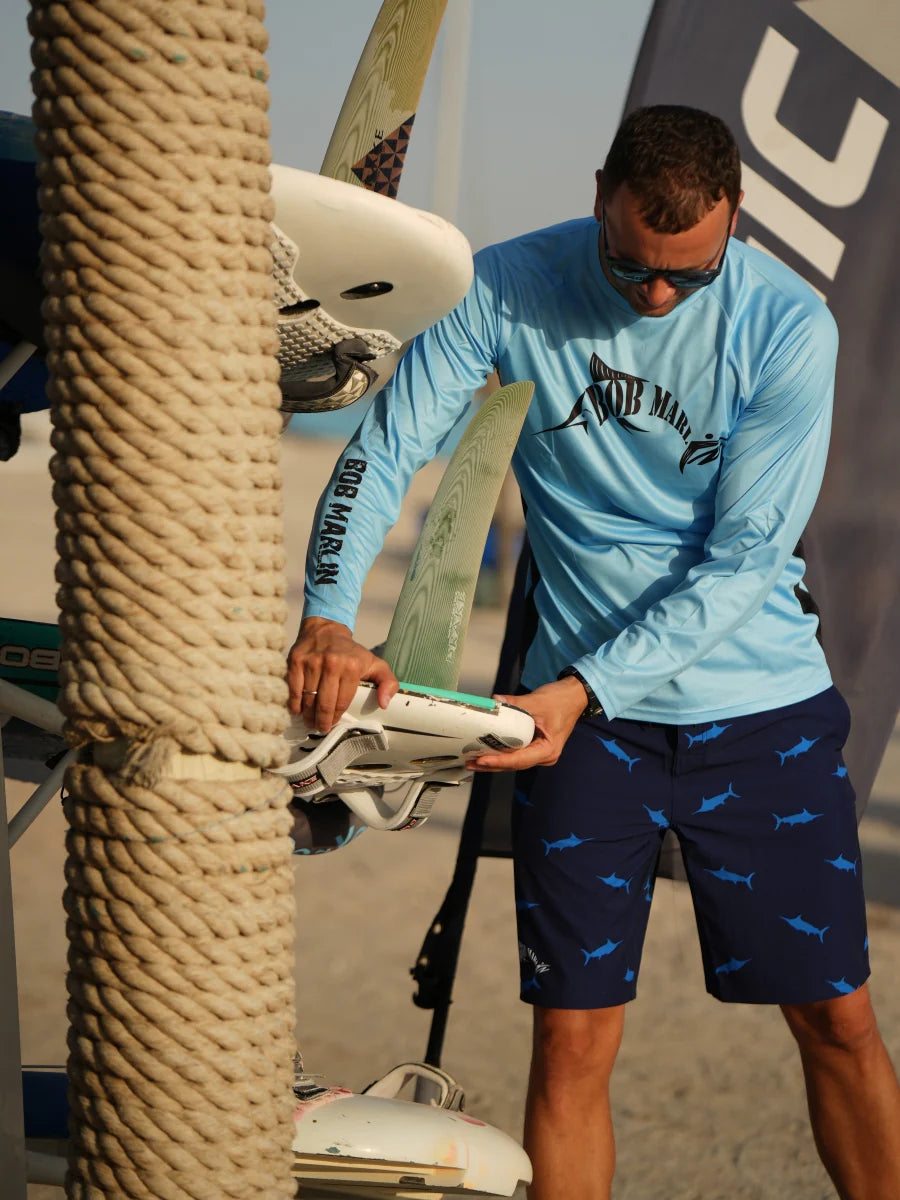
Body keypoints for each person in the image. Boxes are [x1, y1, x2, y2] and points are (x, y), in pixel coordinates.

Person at [288, 105, 900, 1198]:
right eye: (629, 268)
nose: (655, 297)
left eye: (687, 275)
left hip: (756, 713)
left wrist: (582, 687)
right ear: (600, 198)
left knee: (835, 1020)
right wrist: (329, 615)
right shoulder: (505, 286)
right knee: (571, 1040)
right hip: (583, 734)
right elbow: (388, 449)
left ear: (734, 220)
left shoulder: (786, 326)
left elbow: (744, 560)